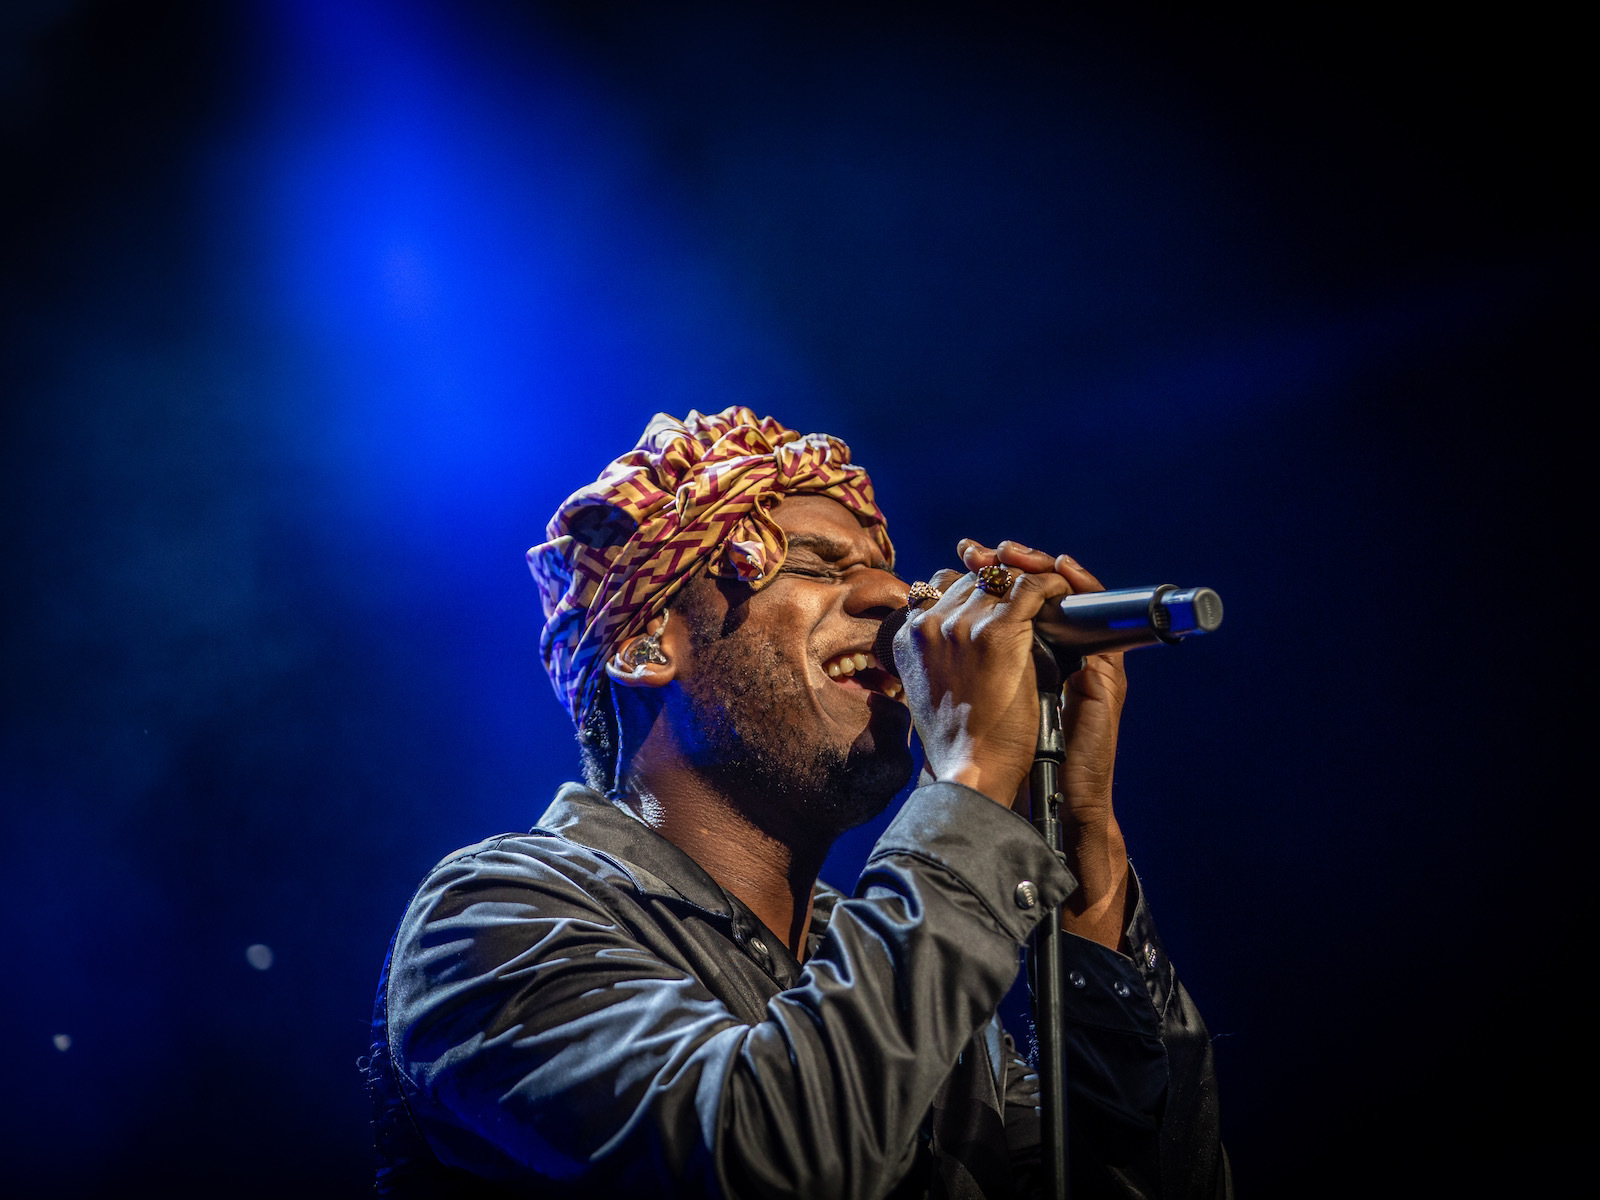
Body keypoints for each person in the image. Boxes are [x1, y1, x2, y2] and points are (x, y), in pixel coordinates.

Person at [364, 407, 1230, 1198]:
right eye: (817, 566)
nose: (897, 599)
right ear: (640, 644)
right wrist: (966, 788)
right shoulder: (490, 919)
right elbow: (773, 1159)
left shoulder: (897, 963)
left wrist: (1083, 858)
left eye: (885, 568)